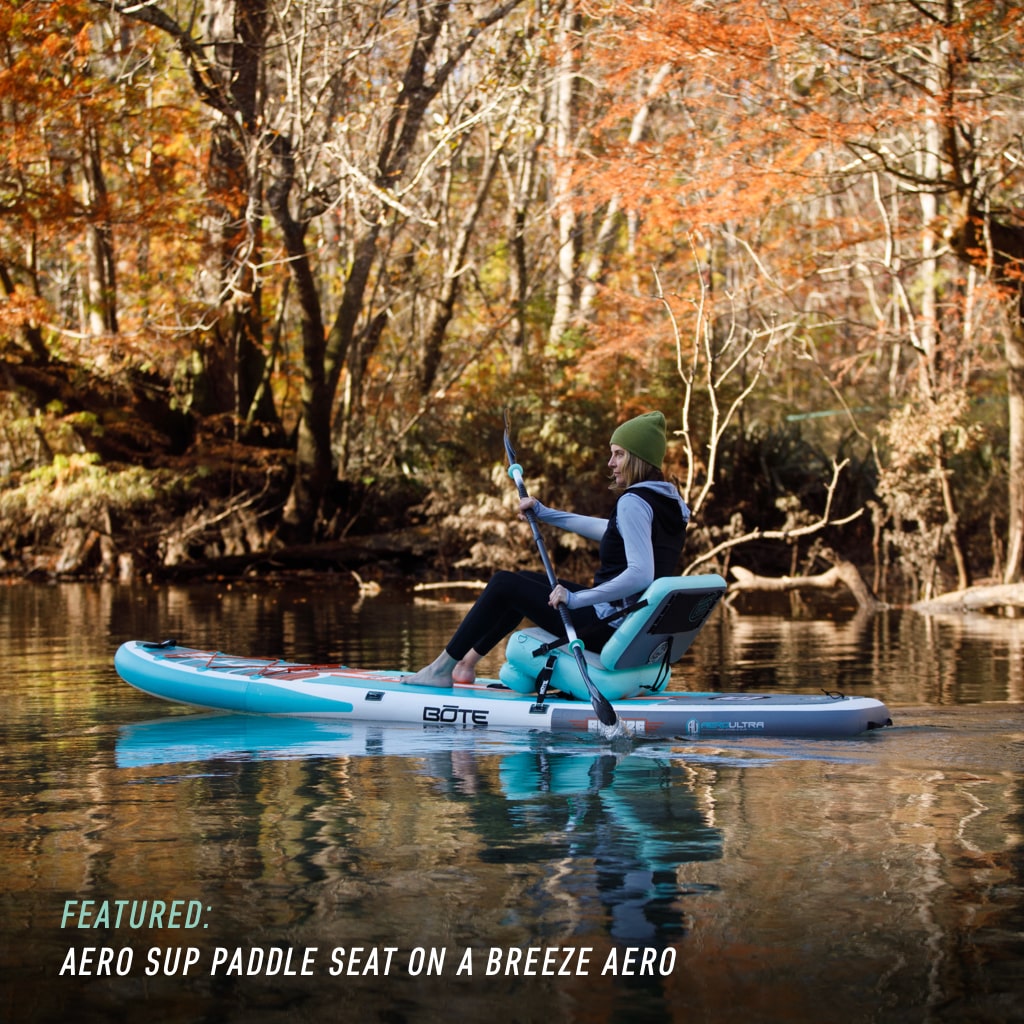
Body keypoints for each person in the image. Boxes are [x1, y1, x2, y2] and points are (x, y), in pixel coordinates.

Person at [404, 411, 690, 687]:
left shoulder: (633, 501)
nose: (610, 463)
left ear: (638, 459)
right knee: (523, 581)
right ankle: (465, 665)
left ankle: (441, 669)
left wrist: (577, 599)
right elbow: (613, 531)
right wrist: (546, 513)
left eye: (619, 454)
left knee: (504, 584)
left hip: (609, 627)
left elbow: (640, 574)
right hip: (631, 627)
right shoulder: (670, 502)